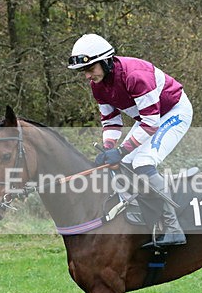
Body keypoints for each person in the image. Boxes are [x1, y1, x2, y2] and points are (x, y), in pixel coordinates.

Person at [67, 33, 194, 248]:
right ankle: (146, 218)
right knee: (124, 164)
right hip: (149, 117)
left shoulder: (134, 76)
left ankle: (173, 228)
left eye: (90, 69)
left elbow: (151, 123)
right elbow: (110, 120)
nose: (87, 76)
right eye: (84, 71)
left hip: (173, 112)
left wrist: (122, 149)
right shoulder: (98, 85)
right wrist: (109, 150)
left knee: (143, 162)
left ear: (105, 62)